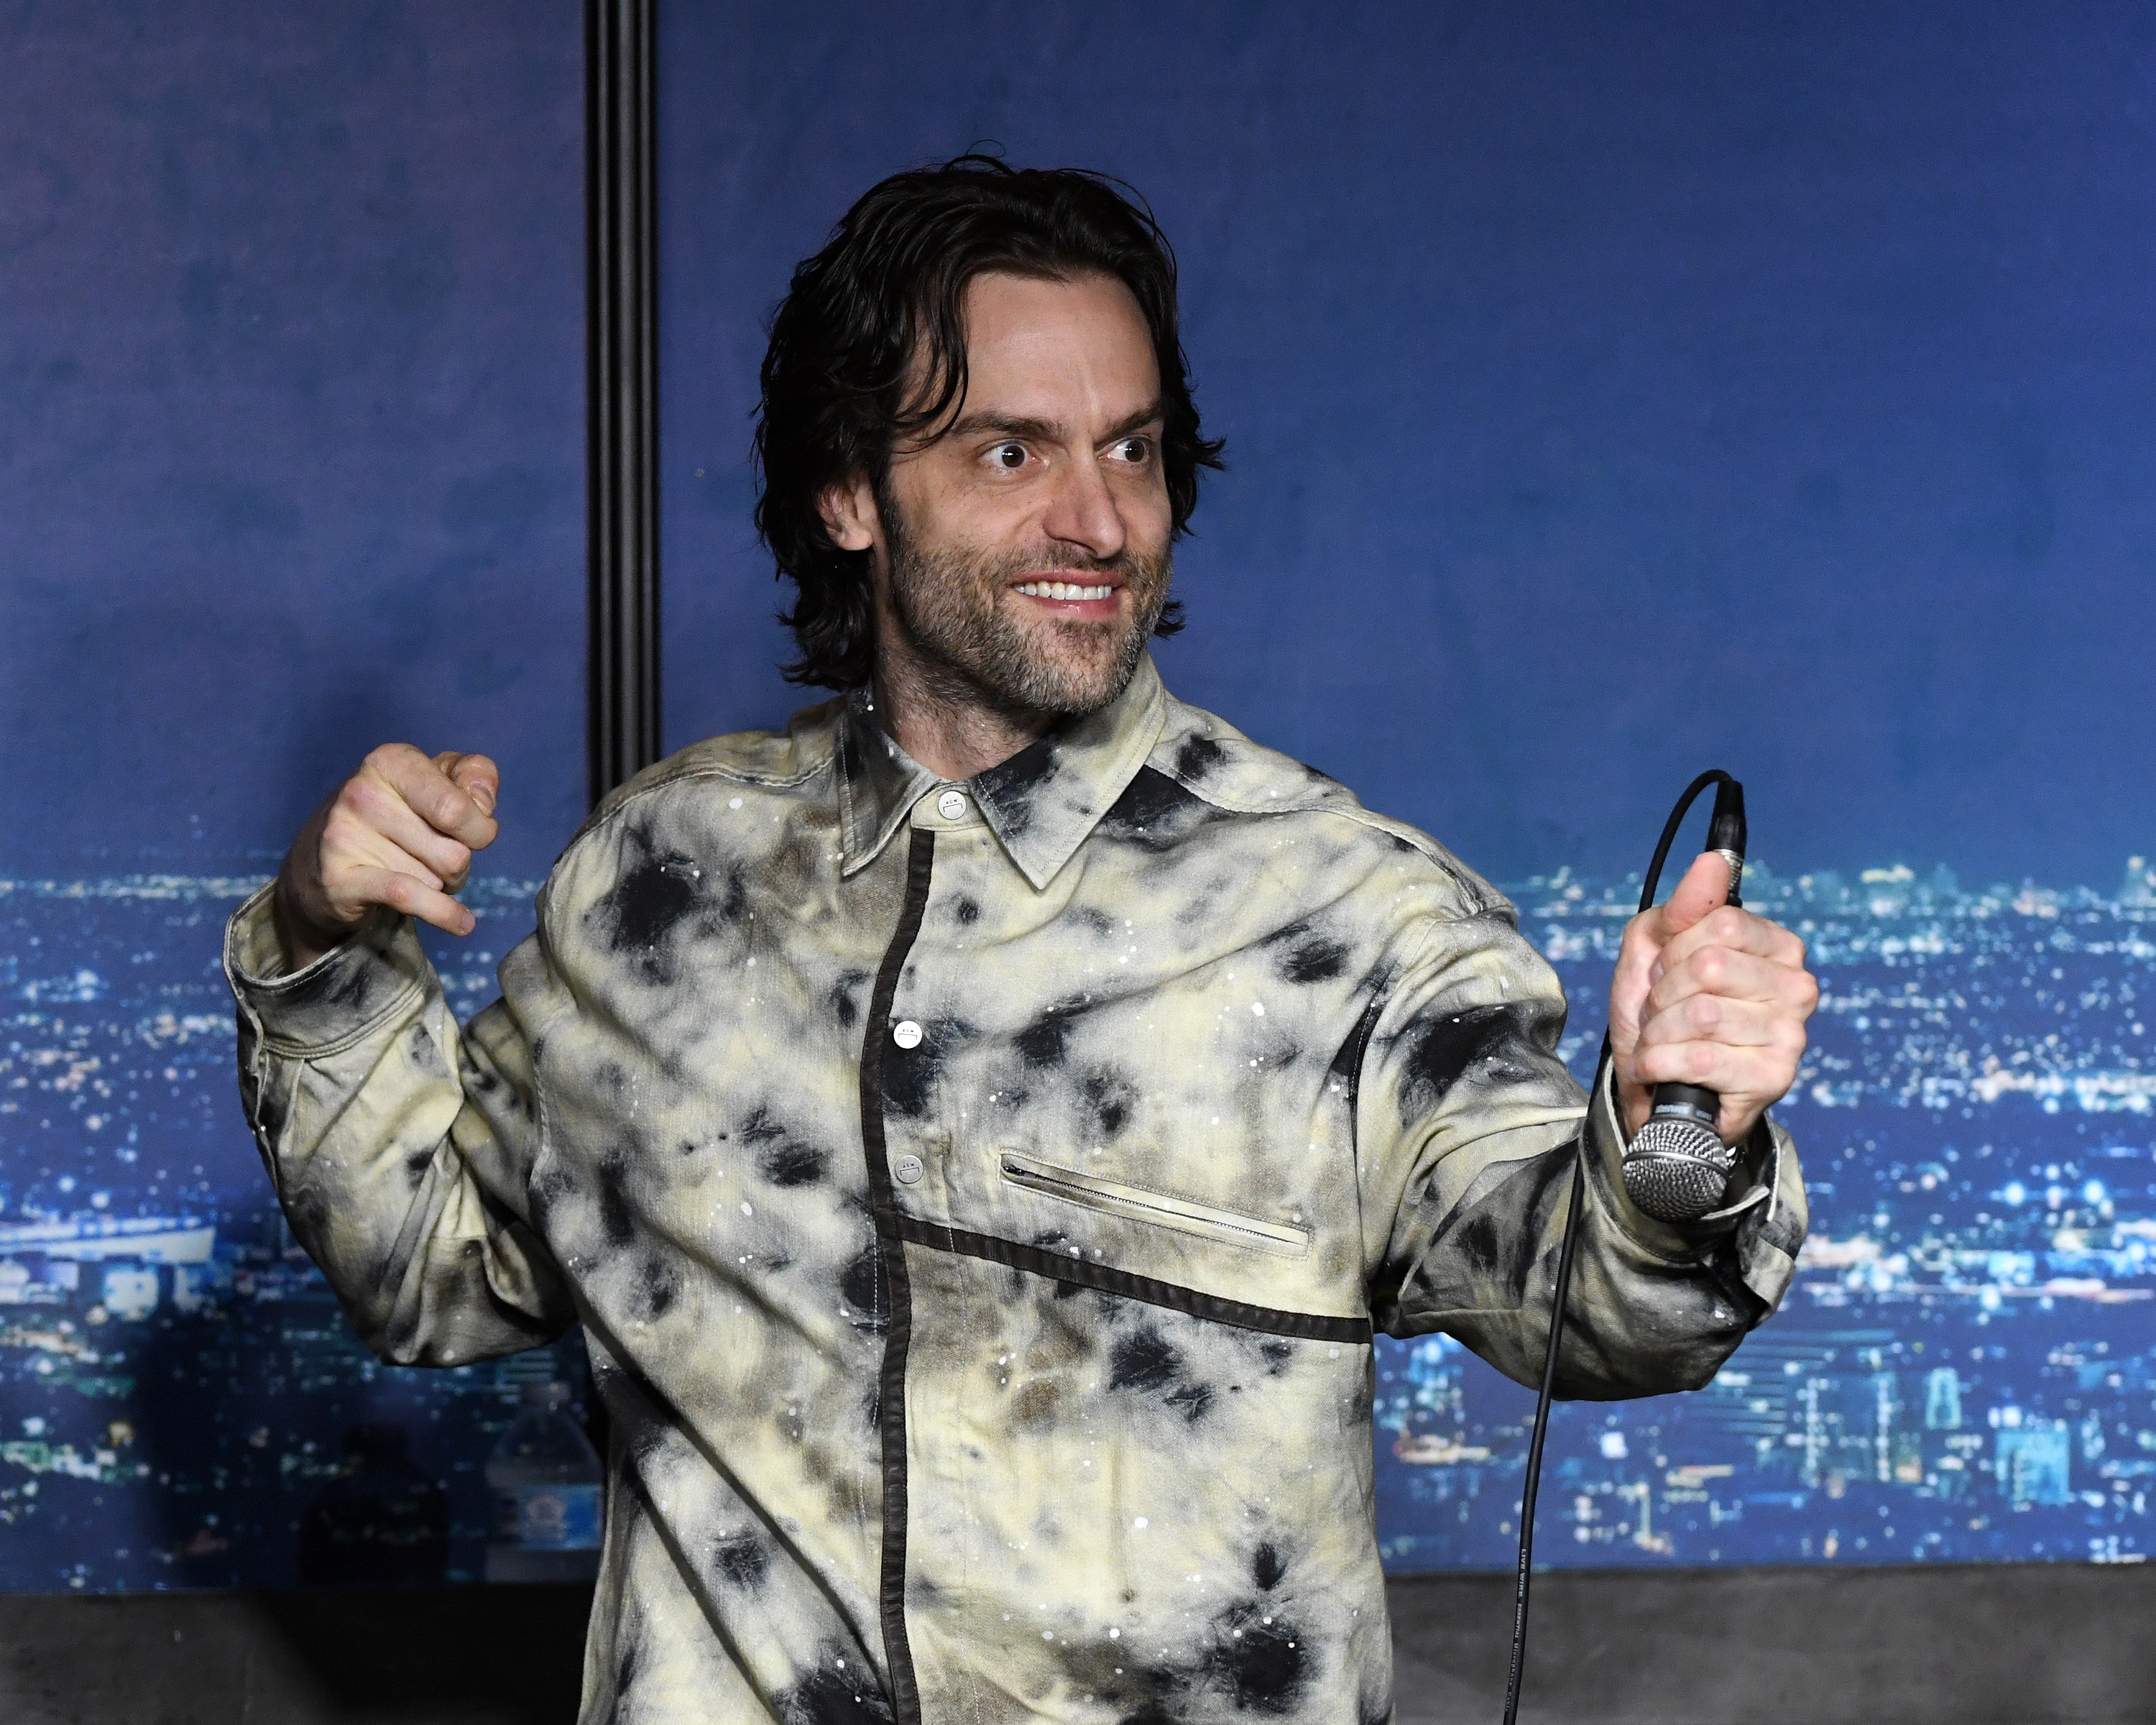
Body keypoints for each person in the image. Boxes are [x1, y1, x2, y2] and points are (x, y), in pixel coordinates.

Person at [227, 157, 1816, 1725]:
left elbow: (1592, 1301)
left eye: (1132, 450)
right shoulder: (666, 884)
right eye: (1011, 452)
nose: (1099, 517)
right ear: (850, 493)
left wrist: (1684, 1135)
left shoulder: (1350, 918)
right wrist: (323, 936)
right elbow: (429, 1267)